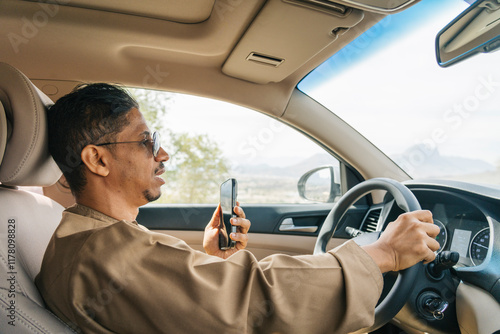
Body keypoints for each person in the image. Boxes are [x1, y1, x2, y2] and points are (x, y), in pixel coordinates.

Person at [36, 83, 440, 334]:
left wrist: (211, 258)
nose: (162, 153)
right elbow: (254, 302)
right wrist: (383, 253)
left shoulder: (88, 238)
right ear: (98, 160)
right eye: (144, 141)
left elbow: (175, 306)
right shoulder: (105, 253)